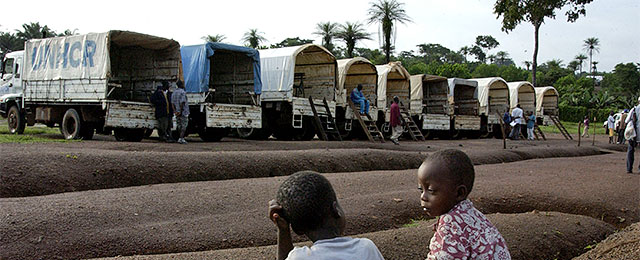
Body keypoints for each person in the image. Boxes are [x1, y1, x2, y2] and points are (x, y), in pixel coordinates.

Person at [268, 171, 385, 260]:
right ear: (336, 210)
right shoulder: (366, 248)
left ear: (298, 229)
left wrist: (283, 230)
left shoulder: (299, 257)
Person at [418, 149, 511, 260]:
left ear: (459, 193)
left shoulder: (451, 223)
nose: (423, 197)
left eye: (431, 190)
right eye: (421, 189)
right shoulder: (472, 216)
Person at [171, 80, 189, 144]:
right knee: (184, 125)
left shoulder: (174, 93)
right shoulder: (183, 92)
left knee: (179, 125)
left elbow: (172, 103)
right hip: (183, 112)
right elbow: (182, 102)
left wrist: (175, 111)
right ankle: (181, 138)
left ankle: (180, 137)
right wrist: (180, 111)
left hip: (177, 112)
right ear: (181, 85)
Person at [626, 97, 640, 174]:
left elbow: (627, 121)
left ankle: (629, 168)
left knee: (631, 150)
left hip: (633, 134)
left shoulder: (634, 109)